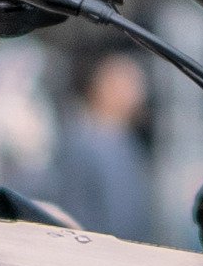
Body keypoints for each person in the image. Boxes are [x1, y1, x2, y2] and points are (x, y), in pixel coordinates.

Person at [49, 48, 155, 243]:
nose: (137, 95)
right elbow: (76, 212)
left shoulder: (126, 141)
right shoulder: (84, 142)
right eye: (128, 86)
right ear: (103, 87)